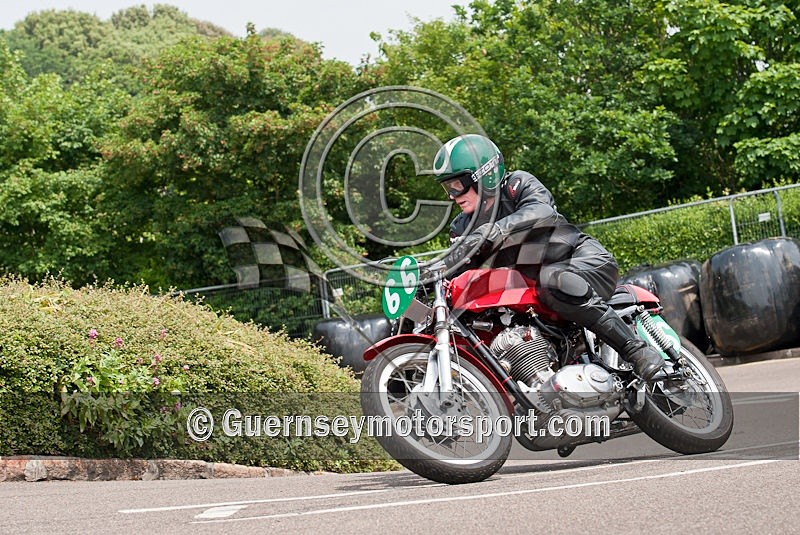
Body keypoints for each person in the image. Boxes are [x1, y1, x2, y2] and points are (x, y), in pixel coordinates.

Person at [430, 133, 664, 380]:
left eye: (458, 185)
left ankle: (636, 351)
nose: (452, 196)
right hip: (534, 295)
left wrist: (491, 233)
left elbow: (542, 211)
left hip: (581, 260)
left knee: (553, 280)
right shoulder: (460, 227)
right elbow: (458, 266)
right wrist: (427, 276)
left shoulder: (516, 186)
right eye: (447, 188)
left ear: (485, 175)